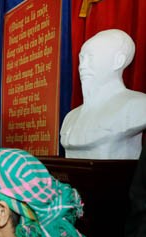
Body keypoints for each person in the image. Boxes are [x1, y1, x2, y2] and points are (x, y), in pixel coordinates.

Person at [60, 29, 146, 159]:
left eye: (91, 57)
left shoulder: (139, 106)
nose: (82, 66)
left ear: (118, 61)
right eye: (81, 59)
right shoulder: (70, 118)